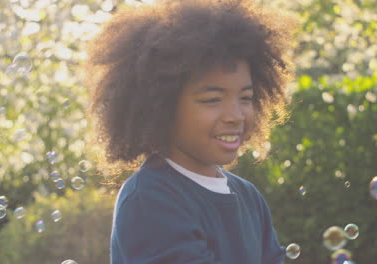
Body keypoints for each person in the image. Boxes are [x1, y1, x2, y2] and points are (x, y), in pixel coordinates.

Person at [86, 0, 297, 263]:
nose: (235, 116)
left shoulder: (248, 196)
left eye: (246, 97)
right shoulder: (151, 199)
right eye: (212, 99)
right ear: (162, 106)